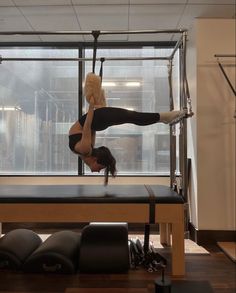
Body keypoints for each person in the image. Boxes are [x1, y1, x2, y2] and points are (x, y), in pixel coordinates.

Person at [69, 96, 186, 185]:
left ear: (95, 159)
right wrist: (97, 109)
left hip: (100, 118)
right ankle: (163, 118)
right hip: (100, 120)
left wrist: (91, 106)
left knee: (133, 117)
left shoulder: (85, 150)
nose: (98, 171)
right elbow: (91, 129)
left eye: (100, 168)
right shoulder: (87, 151)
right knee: (133, 117)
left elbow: (87, 126)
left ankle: (164, 117)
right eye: (100, 169)